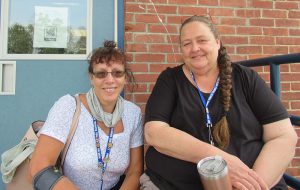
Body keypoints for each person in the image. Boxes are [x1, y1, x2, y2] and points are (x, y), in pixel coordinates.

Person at [142, 15, 297, 190]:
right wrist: (222, 161)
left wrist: (250, 184)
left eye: (202, 40)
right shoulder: (170, 80)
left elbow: (283, 136)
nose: (195, 48)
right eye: (186, 43)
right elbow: (154, 132)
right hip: (173, 185)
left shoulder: (246, 78)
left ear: (217, 43)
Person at [28, 40, 144, 190]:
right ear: (91, 77)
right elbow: (39, 165)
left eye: (117, 73)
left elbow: (134, 171)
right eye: (101, 73)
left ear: (125, 77)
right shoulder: (68, 107)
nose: (110, 80)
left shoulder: (133, 114)